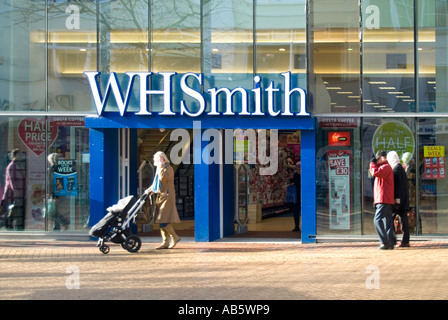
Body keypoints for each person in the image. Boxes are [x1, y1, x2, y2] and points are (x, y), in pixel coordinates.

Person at [145, 151, 181, 249]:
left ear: (164, 159)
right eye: (156, 159)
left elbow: (162, 178)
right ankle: (165, 241)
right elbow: (156, 184)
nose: (156, 161)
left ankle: (175, 237)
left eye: (159, 159)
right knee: (161, 220)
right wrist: (150, 189)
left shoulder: (168, 169)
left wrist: (160, 166)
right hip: (161, 197)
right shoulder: (159, 169)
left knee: (163, 218)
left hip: (167, 197)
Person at [369, 150, 395, 250]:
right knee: (387, 221)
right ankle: (390, 242)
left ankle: (384, 242)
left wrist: (372, 163)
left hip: (383, 198)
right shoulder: (386, 167)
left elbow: (375, 172)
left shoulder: (385, 167)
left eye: (378, 159)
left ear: (382, 158)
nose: (377, 161)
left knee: (377, 220)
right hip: (385, 198)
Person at [387, 151, 411, 247]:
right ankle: (405, 240)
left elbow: (397, 187)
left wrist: (396, 200)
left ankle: (392, 240)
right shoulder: (400, 167)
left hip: (398, 200)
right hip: (404, 199)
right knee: (404, 220)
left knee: (390, 218)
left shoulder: (395, 170)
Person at [292, 161, 301, 232]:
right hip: (296, 196)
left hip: (303, 196)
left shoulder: (304, 174)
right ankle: (296, 226)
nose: (298, 169)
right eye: (297, 168)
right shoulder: (295, 175)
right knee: (296, 211)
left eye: (299, 167)